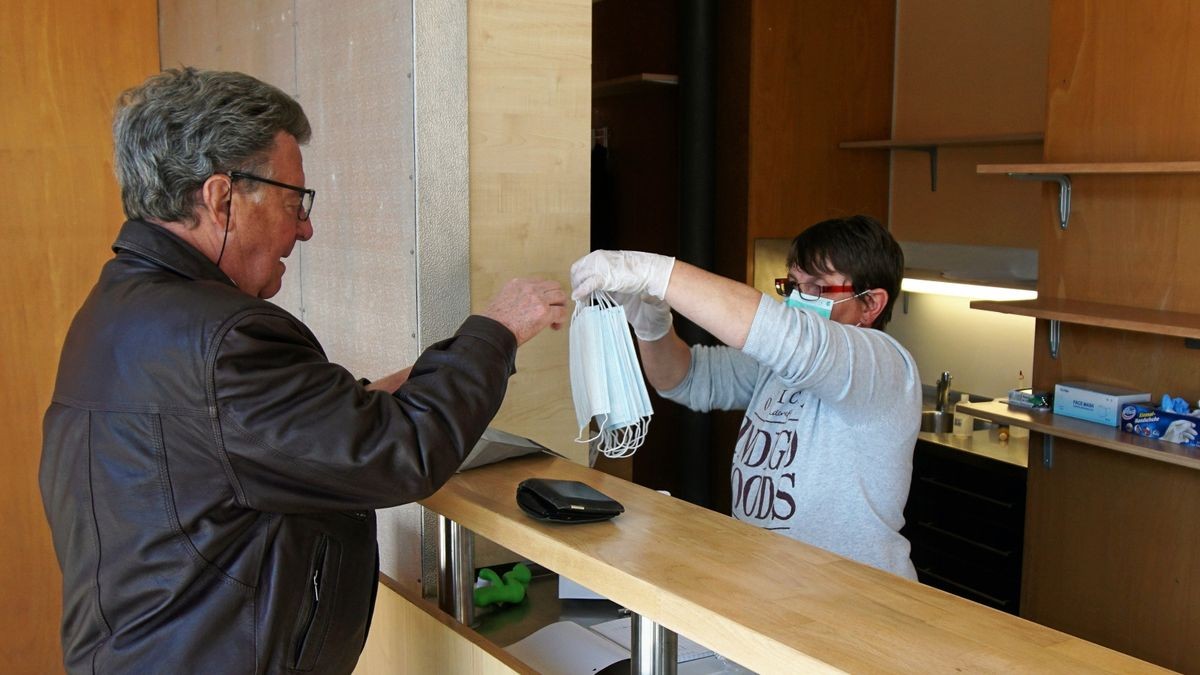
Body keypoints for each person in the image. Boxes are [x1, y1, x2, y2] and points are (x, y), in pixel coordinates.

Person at [39, 67, 566, 674]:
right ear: (221, 197)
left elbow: (240, 437)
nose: (305, 229)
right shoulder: (227, 339)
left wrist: (393, 387)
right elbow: (401, 453)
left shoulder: (117, 310)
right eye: (295, 202)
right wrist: (497, 330)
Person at [570, 215, 921, 579]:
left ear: (871, 304)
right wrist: (652, 326)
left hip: (858, 596)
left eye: (817, 288)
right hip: (775, 584)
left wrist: (655, 273)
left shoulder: (883, 364)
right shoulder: (777, 368)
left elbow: (781, 335)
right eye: (794, 285)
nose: (799, 300)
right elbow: (683, 378)